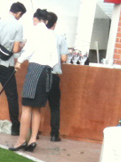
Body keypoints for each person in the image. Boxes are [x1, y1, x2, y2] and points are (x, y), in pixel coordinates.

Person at [10, 8, 59, 152]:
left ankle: (21, 141)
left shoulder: (36, 31)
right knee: (37, 109)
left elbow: (29, 49)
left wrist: (20, 61)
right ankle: (32, 140)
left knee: (26, 107)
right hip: (47, 72)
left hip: (35, 70)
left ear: (36, 19)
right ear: (47, 20)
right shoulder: (51, 35)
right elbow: (55, 59)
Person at [0, 1, 26, 136]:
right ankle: (15, 126)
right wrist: (22, 46)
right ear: (19, 13)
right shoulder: (18, 25)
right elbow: (15, 49)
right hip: (6, 65)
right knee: (12, 96)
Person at [45, 11, 68, 142]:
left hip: (40, 73)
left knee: (36, 106)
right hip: (53, 74)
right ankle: (54, 134)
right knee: (54, 106)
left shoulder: (39, 36)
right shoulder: (60, 38)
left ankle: (33, 132)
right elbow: (64, 58)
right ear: (55, 24)